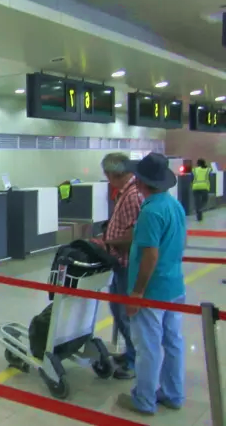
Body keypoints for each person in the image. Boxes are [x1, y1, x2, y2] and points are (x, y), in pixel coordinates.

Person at [115, 152, 186, 416]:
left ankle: (144, 400)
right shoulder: (173, 205)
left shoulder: (150, 212)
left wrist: (137, 292)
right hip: (175, 286)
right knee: (173, 341)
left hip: (152, 291)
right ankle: (173, 394)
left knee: (148, 347)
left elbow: (150, 254)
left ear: (141, 181)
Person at [93, 153, 142, 379]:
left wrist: (107, 242)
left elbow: (134, 236)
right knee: (118, 309)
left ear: (111, 174)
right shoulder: (128, 192)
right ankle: (131, 352)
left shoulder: (132, 195)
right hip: (120, 263)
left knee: (124, 313)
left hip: (126, 264)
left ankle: (134, 361)